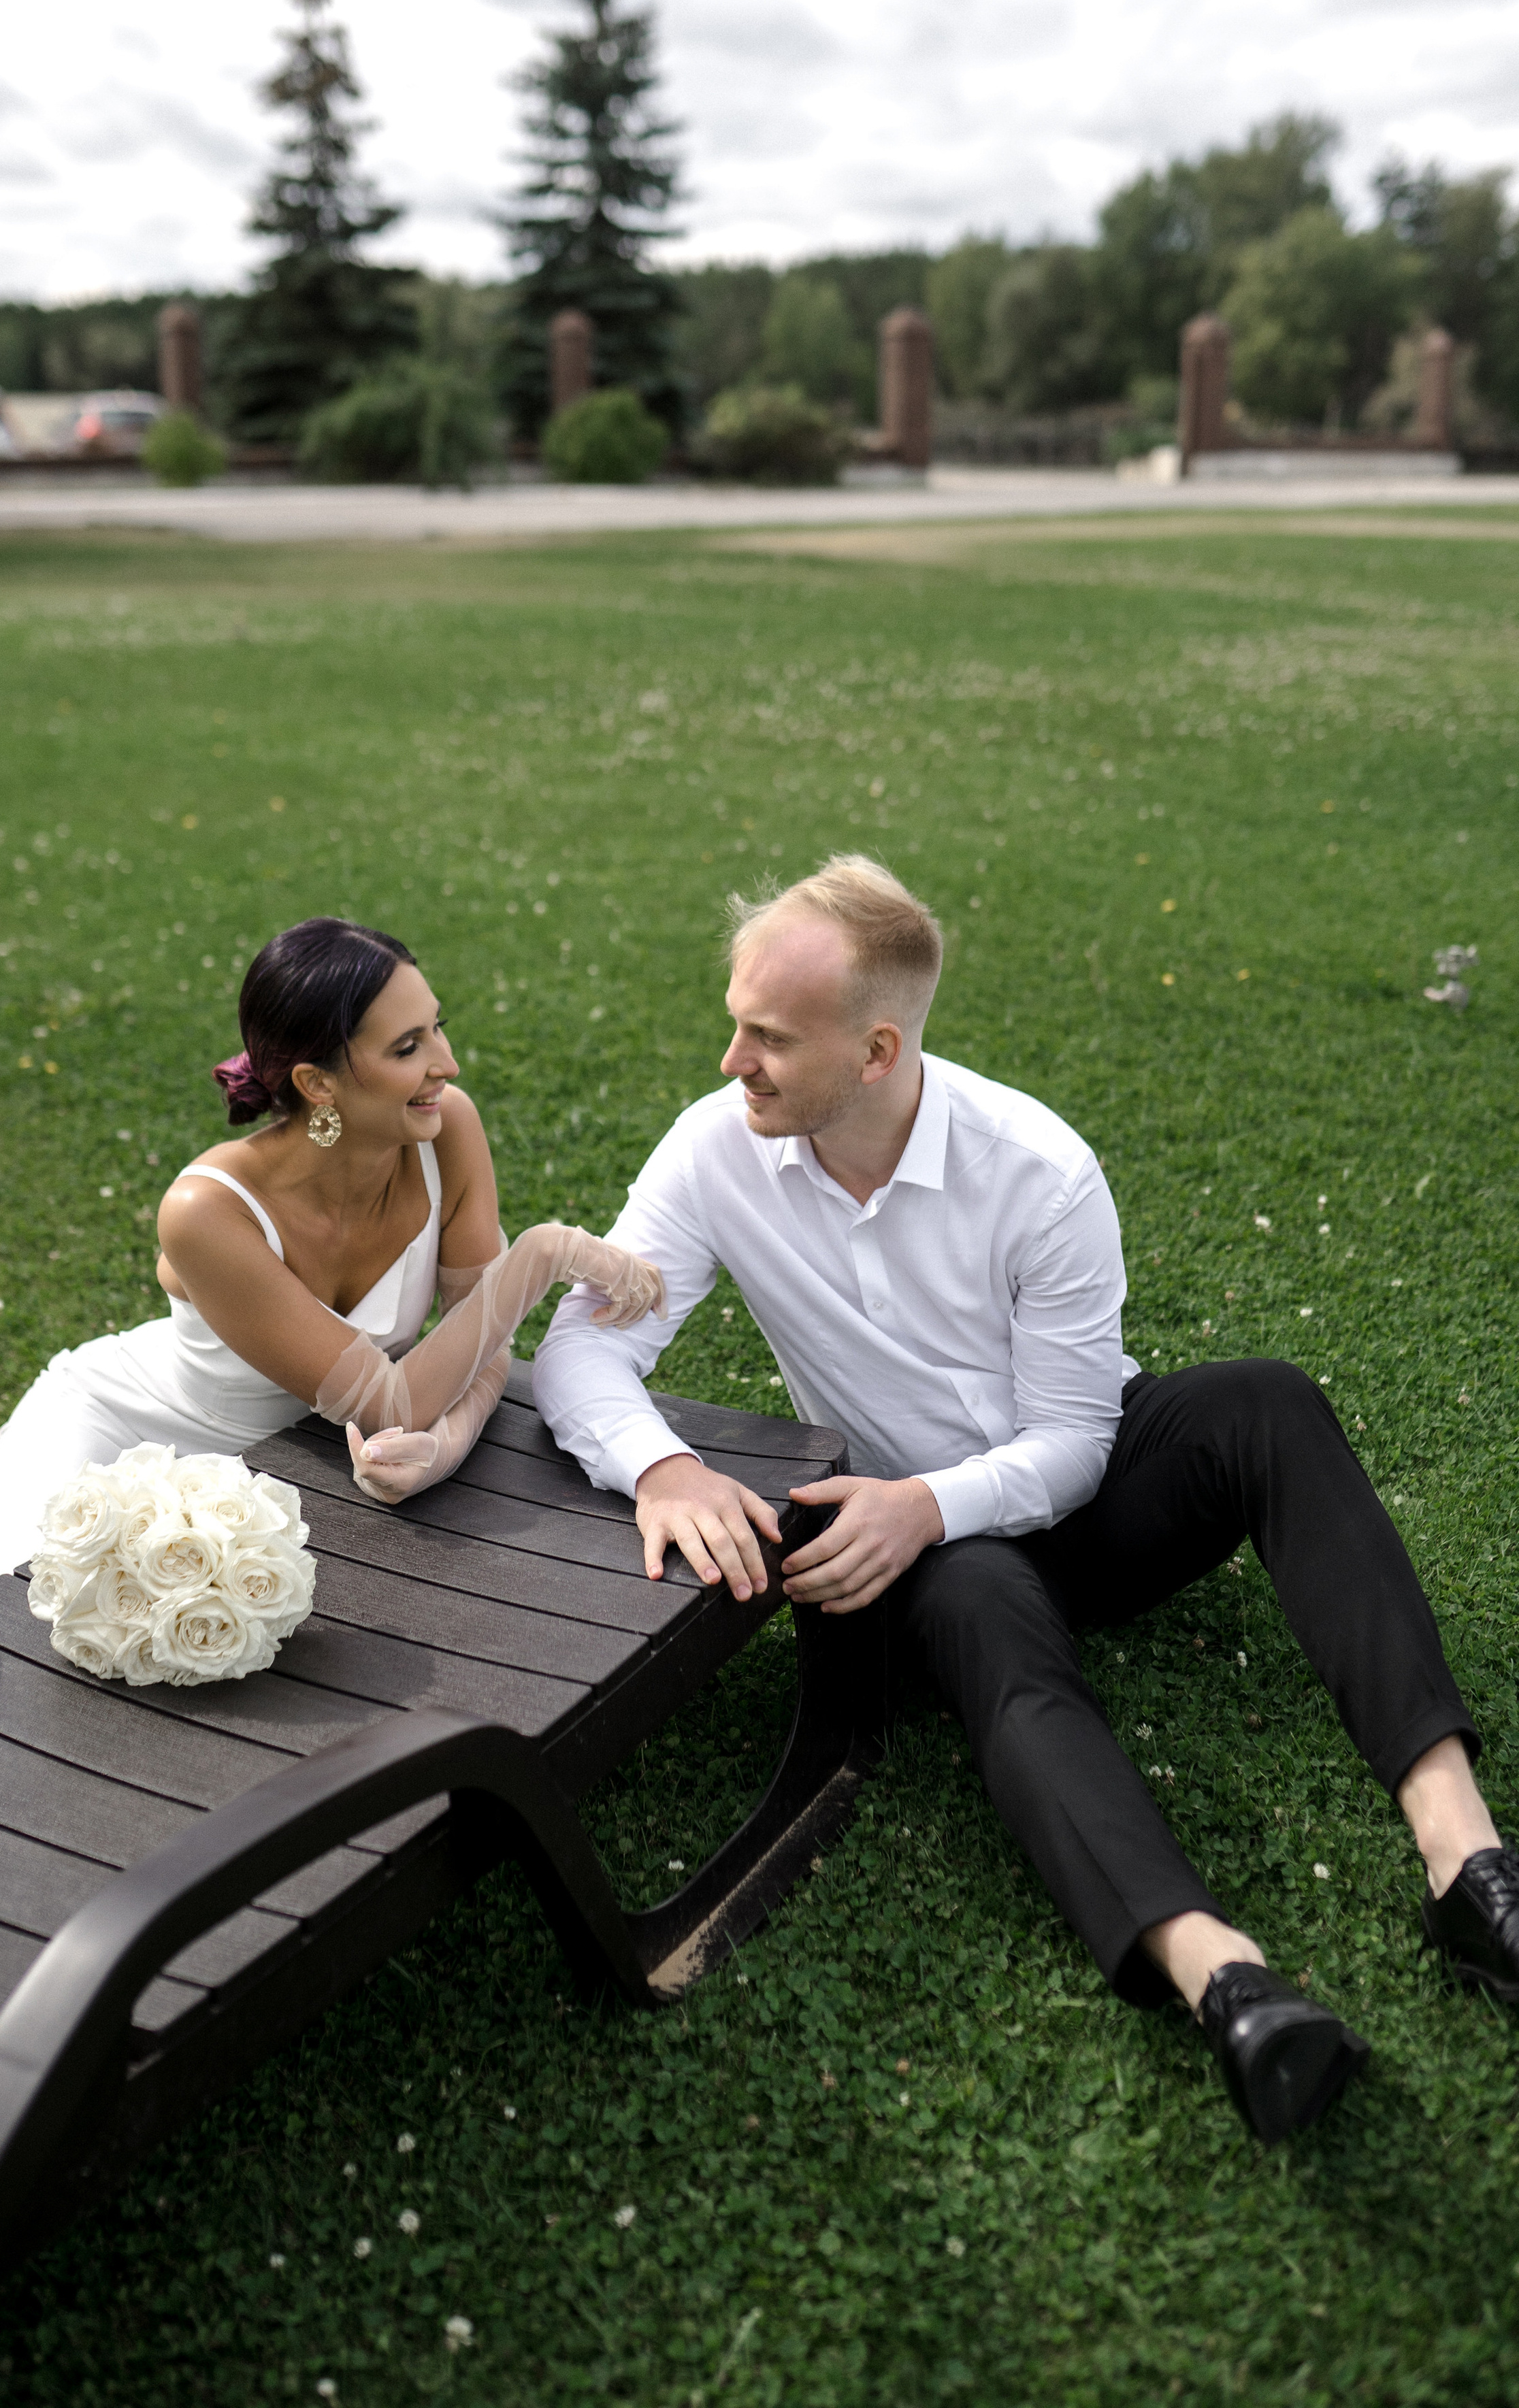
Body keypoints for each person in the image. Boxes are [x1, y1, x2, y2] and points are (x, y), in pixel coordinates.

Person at [534, 854, 1519, 2146]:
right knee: (988, 1604)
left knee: (1268, 1400)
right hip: (938, 1564)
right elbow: (578, 1350)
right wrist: (660, 1464)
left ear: (877, 1049)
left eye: (769, 1038)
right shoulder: (717, 1151)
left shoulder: (1037, 1168)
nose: (733, 1062)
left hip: (1068, 1495)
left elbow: (1072, 1439)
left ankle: (1468, 1864)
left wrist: (928, 1502)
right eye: (736, 1022)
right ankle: (1224, 1977)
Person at [0, 915, 660, 1691]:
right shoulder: (207, 1211)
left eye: (437, 1030)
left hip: (273, 1466)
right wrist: (546, 1252)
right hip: (120, 1440)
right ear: (318, 1086)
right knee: (0, 1656)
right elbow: (393, 1398)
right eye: (407, 1048)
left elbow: (481, 1344)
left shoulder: (444, 1128)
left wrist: (446, 1444)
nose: (446, 1064)